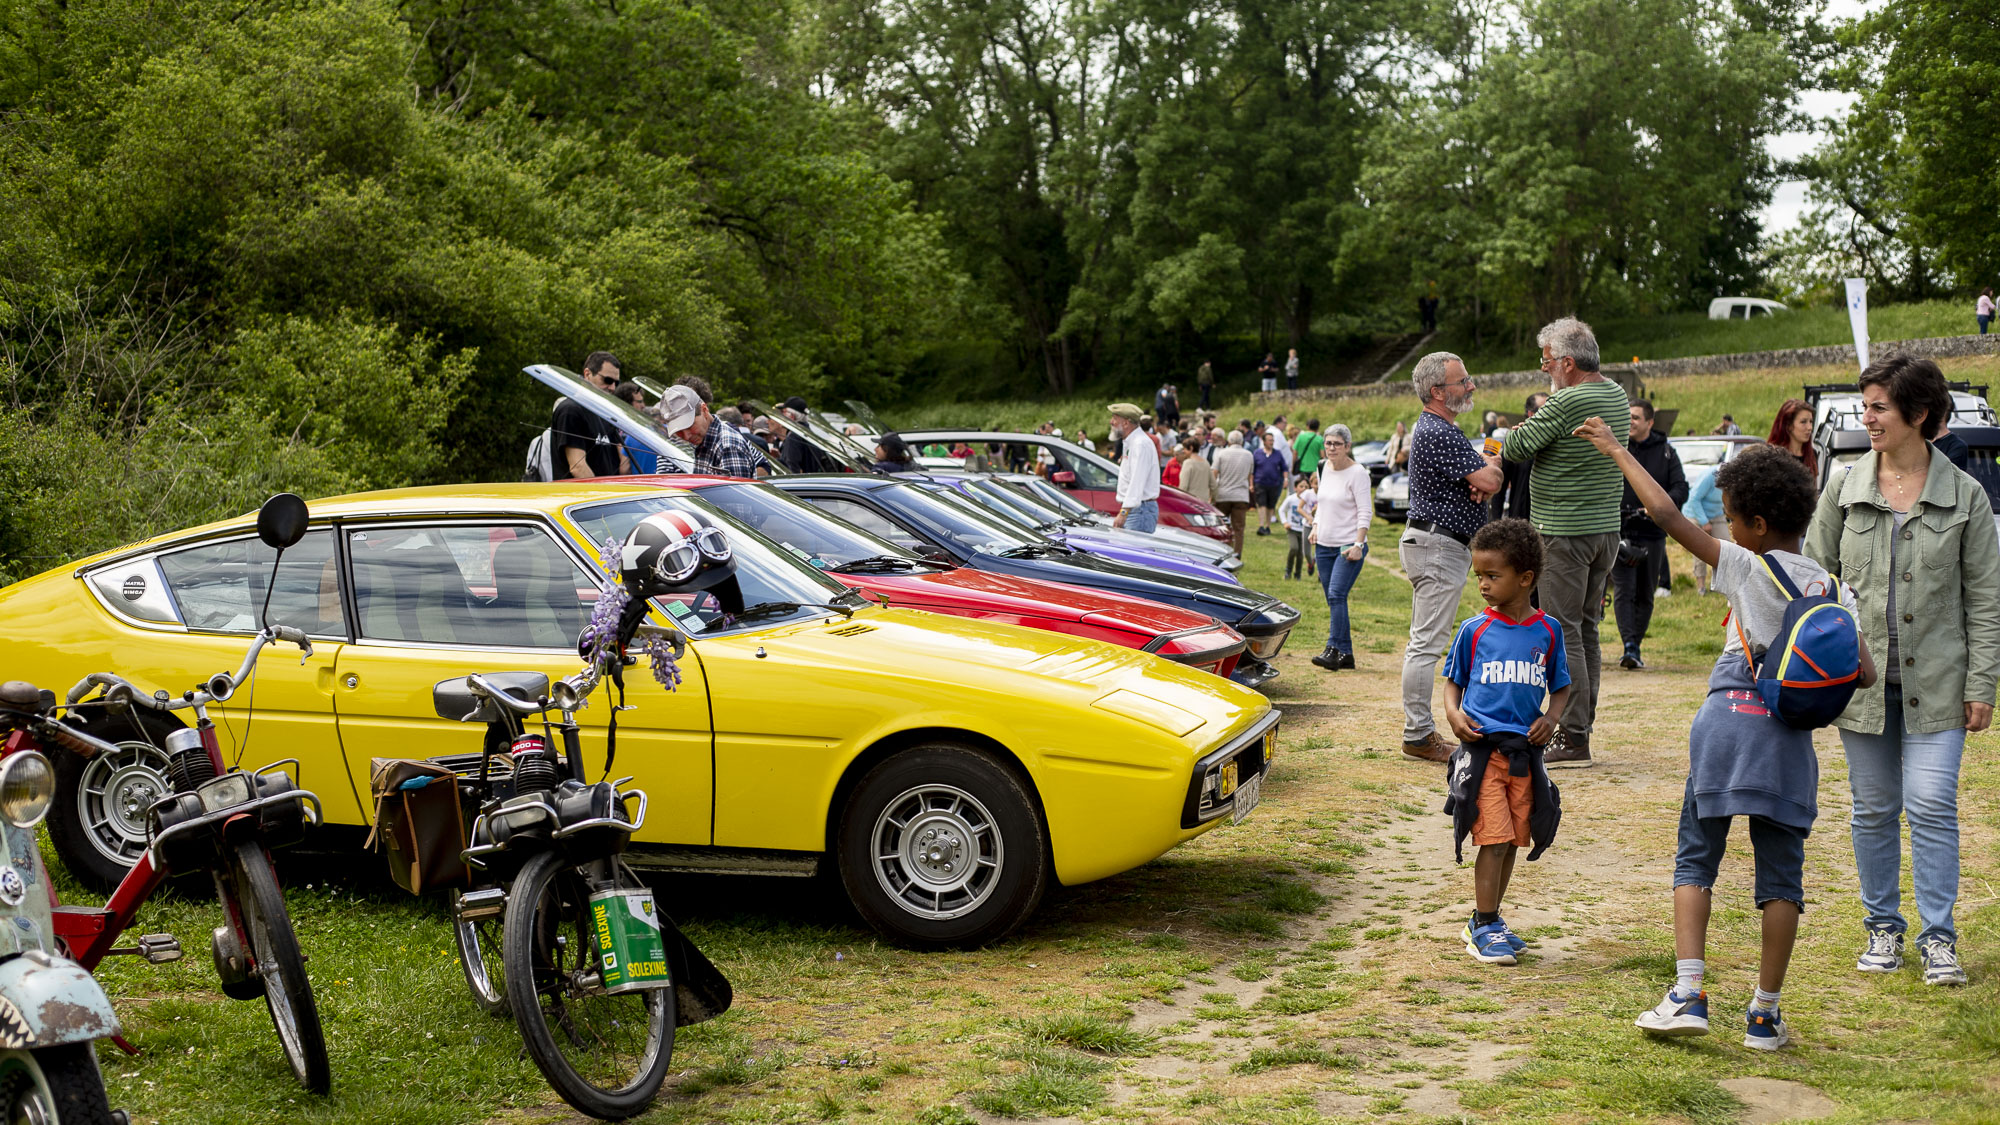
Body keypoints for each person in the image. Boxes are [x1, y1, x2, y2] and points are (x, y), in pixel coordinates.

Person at [1577, 420, 1876, 1048]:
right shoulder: (1831, 588)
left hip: (1724, 728)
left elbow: (1664, 512)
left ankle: (1688, 991)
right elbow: (1865, 673)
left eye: (1733, 518)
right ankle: (1764, 1014)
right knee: (1782, 880)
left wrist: (1616, 451)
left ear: (1758, 527)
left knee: (1696, 859)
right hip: (1786, 743)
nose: (1727, 528)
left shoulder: (1744, 565)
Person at [1805, 354, 2000, 988]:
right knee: (1874, 807)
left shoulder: (1966, 495)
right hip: (1857, 687)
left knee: (1931, 805)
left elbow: (1986, 601)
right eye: (1865, 407)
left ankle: (1938, 938)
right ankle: (1882, 929)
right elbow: (1813, 578)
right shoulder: (1843, 486)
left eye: (1879, 407)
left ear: (1919, 415)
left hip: (1940, 683)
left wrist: (1982, 685)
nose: (1868, 418)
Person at [1441, 518, 1571, 965]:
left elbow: (1563, 686)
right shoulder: (1473, 630)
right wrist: (1454, 715)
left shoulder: (1549, 631)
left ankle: (1491, 920)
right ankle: (1483, 921)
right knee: (1492, 838)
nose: (1482, 584)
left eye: (1492, 576)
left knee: (1515, 838)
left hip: (1525, 758)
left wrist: (1551, 717)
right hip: (1483, 755)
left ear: (1526, 578)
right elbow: (1451, 682)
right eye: (1478, 575)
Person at [1500, 318, 1629, 768]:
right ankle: (1581, 727)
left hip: (1564, 531)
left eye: (1547, 362)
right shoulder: (1615, 393)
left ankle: (1573, 737)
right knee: (1587, 629)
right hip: (1604, 529)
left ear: (1568, 363)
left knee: (1564, 630)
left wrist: (1507, 435)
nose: (1544, 370)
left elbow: (1516, 448)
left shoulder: (1568, 399)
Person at [1400, 352, 1504, 762]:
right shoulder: (1438, 431)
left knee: (1424, 642)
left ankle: (1418, 730)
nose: (1471, 386)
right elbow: (1490, 480)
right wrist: (1487, 470)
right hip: (1438, 546)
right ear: (1438, 391)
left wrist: (1480, 474)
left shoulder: (1441, 429)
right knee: (1427, 646)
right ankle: (1418, 734)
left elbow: (1482, 482)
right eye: (1463, 381)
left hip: (1436, 544)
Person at [1613, 399, 1688, 670]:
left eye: (1635, 417)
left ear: (1649, 422)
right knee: (1623, 590)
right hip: (1621, 531)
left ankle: (1636, 643)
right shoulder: (1616, 448)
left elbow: (1681, 488)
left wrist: (1658, 506)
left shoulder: (1666, 452)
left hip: (1653, 533)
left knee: (1645, 592)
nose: (1630, 422)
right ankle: (1629, 646)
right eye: (1627, 417)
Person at [1311, 424, 1373, 671]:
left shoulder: (1358, 473)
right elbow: (1322, 504)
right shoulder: (1323, 467)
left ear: (1348, 446)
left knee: (1337, 594)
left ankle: (1333, 648)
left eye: (1337, 443)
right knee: (1334, 599)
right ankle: (1346, 654)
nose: (1331, 448)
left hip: (1348, 546)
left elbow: (1365, 511)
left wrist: (1359, 544)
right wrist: (1315, 525)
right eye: (1328, 443)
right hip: (1323, 545)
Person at [552, 351, 630, 480]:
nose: (612, 387)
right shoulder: (570, 410)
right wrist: (604, 494)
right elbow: (578, 467)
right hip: (584, 497)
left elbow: (620, 463)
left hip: (608, 494)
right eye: (608, 380)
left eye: (617, 383)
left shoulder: (604, 413)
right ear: (587, 374)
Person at [660, 384, 761, 477]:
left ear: (704, 410)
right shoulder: (705, 441)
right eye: (679, 431)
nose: (686, 436)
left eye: (690, 425)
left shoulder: (728, 446)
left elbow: (734, 496)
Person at [1107, 403, 1161, 532]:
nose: (1111, 422)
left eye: (1115, 418)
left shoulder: (1139, 444)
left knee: (1133, 550)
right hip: (1137, 510)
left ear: (1126, 423)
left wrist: (1124, 512)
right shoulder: (1133, 442)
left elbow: (1137, 481)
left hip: (1138, 511)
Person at [1682, 466, 1729, 595]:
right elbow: (1694, 499)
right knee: (1701, 549)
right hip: (1695, 513)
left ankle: (1722, 585)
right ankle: (1701, 586)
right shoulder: (1709, 476)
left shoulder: (1733, 479)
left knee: (1726, 547)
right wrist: (1704, 522)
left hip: (1716, 514)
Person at [1501, 393, 1548, 520]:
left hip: (1547, 521)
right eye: (1545, 410)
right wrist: (1495, 520)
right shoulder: (1517, 443)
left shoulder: (1554, 442)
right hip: (1520, 520)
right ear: (1531, 414)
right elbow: (1501, 487)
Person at [1213, 431, 1255, 553]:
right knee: (1239, 529)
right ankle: (1237, 554)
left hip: (1223, 494)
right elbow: (1249, 474)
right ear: (1242, 442)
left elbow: (1214, 473)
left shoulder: (1221, 453)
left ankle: (1219, 552)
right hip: (1241, 495)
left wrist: (1213, 492)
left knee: (1221, 527)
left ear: (1229, 441)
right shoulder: (1248, 455)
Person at [1766, 399, 1818, 481]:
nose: (1809, 427)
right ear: (1788, 425)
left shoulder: (1812, 455)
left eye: (1811, 422)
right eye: (1803, 422)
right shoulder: (1772, 456)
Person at [1252, 430, 1287, 535]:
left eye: (1272, 440)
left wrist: (1285, 479)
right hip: (1260, 482)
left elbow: (1284, 468)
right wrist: (1250, 484)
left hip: (1274, 483)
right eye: (1269, 440)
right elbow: (1252, 470)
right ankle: (1261, 526)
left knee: (1271, 505)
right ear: (1264, 441)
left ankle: (1267, 526)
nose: (1271, 442)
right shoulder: (1257, 453)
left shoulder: (1278, 453)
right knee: (1262, 504)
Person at [1278, 476, 1310, 580]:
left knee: (1301, 553)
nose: (1304, 488)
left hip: (1304, 530)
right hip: (1292, 529)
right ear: (1295, 488)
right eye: (1301, 486)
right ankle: (1288, 571)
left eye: (1306, 486)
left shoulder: (1309, 501)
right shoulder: (1291, 499)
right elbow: (1281, 510)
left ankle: (1298, 574)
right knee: (1294, 548)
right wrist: (1285, 522)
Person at [1178, 437, 1215, 504]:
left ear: (1191, 448)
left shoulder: (1188, 463)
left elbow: (1183, 486)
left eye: (1185, 448)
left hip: (1190, 502)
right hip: (1204, 503)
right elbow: (1213, 485)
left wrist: (1180, 501)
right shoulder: (1206, 463)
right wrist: (1212, 501)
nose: (1183, 451)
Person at [1293, 418, 1324, 485]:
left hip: (1303, 468)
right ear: (1318, 427)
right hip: (1315, 469)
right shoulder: (1320, 439)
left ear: (1308, 426)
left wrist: (1293, 466)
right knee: (1314, 487)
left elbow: (1295, 453)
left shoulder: (1301, 437)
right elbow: (1322, 455)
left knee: (1304, 486)